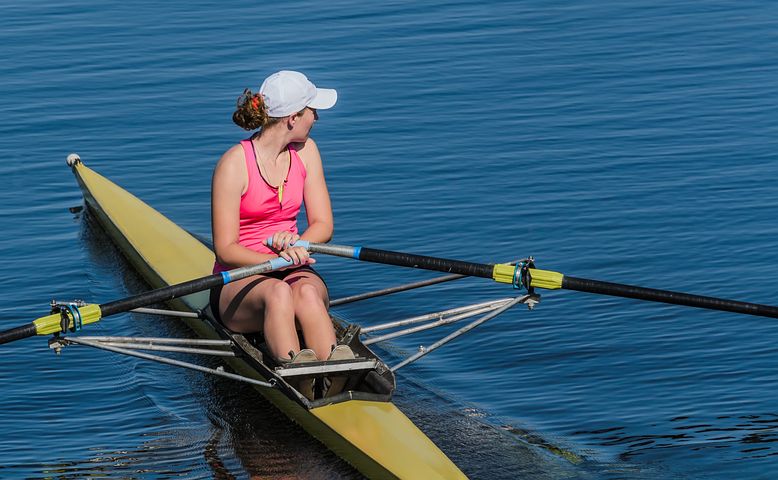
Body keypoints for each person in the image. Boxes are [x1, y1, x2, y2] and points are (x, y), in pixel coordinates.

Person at [210, 71, 353, 397]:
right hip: (239, 278)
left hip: (292, 265)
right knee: (278, 295)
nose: (316, 117)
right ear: (292, 118)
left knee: (307, 295)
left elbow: (323, 225)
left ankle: (334, 371)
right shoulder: (234, 165)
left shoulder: (306, 151)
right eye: (311, 110)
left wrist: (298, 243)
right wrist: (273, 261)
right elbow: (225, 248)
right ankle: (297, 378)